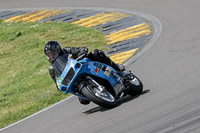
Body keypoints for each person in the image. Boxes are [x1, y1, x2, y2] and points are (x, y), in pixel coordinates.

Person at [44, 41, 125, 105]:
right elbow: (57, 82)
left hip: (84, 67)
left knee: (96, 53)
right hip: (74, 80)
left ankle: (117, 67)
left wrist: (81, 54)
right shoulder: (52, 69)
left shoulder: (66, 50)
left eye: (53, 54)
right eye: (49, 55)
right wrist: (60, 86)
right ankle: (97, 93)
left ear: (58, 50)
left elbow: (82, 49)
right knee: (83, 101)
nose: (51, 57)